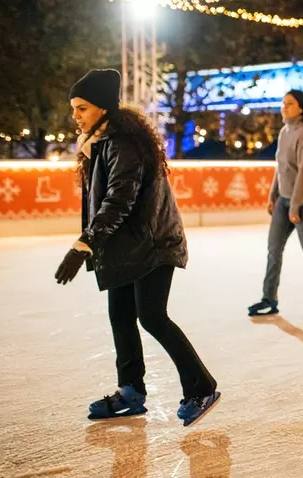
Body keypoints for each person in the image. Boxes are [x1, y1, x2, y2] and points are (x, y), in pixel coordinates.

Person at [54, 69, 220, 426]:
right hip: (124, 247)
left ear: (101, 107)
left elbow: (118, 200)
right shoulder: (99, 145)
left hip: (153, 243)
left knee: (152, 316)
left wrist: (84, 244)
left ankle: (201, 386)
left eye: (81, 108)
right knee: (121, 318)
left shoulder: (122, 144)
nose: (75, 116)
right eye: (74, 109)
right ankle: (131, 390)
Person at [247, 90, 303, 317]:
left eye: (290, 103)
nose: (284, 107)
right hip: (284, 200)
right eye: (283, 102)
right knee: (273, 249)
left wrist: (296, 206)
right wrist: (273, 196)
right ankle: (269, 298)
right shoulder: (285, 131)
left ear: (301, 108)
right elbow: (281, 168)